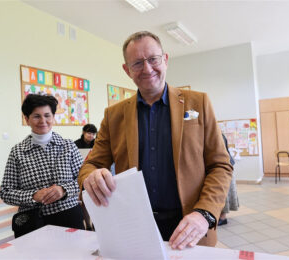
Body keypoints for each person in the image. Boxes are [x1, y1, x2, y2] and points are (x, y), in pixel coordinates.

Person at [78, 31, 233, 249]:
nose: (148, 69)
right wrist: (90, 177)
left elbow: (220, 165)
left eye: (153, 59)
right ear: (127, 70)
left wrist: (204, 213)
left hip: (190, 226)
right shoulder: (114, 115)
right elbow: (92, 164)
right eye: (137, 63)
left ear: (166, 59)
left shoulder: (199, 103)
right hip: (135, 227)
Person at [0, 94, 84, 238]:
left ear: (53, 117)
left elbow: (83, 181)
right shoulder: (17, 152)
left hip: (69, 216)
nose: (43, 121)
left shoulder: (68, 146)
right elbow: (6, 192)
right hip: (33, 221)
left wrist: (63, 190)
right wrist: (33, 196)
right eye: (36, 116)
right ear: (27, 119)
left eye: (47, 115)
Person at [218, 134, 239, 226]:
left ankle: (223, 218)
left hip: (224, 165)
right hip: (224, 164)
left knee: (224, 193)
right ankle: (220, 216)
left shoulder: (218, 134)